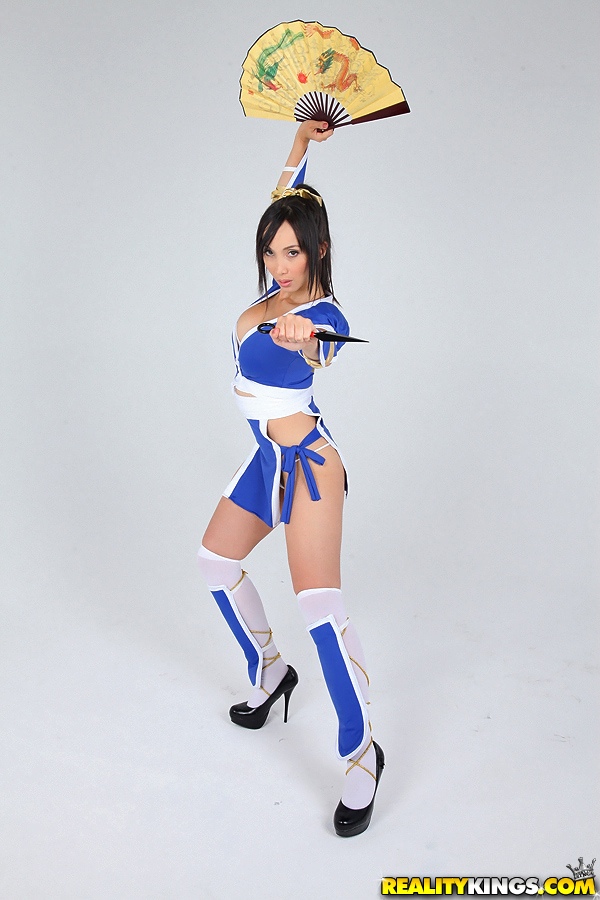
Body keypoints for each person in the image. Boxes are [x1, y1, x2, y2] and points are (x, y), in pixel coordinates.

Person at [197, 120, 384, 837]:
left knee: (319, 606)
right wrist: (299, 149)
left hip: (309, 466)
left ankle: (362, 754)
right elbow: (286, 201)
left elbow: (327, 347)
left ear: (319, 251)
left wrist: (309, 339)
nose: (279, 264)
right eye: (271, 251)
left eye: (294, 252)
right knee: (216, 562)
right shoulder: (272, 289)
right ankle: (272, 671)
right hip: (263, 460)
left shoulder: (322, 313)